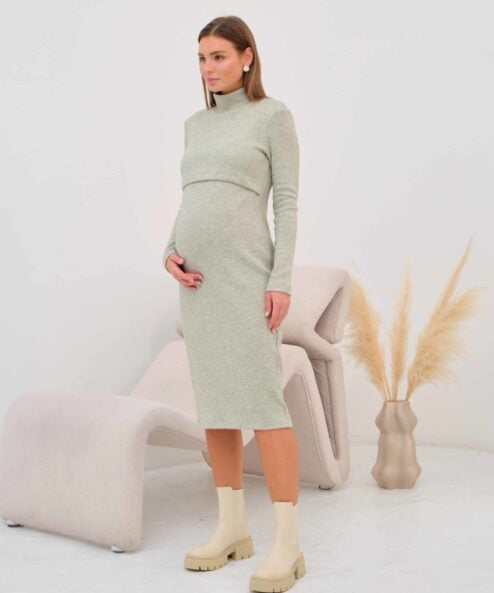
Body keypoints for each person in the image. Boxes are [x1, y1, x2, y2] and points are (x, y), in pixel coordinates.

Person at [162, 15, 305, 592]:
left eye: (218, 56)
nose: (208, 68)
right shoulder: (195, 126)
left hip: (248, 280)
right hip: (197, 285)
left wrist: (281, 279)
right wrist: (170, 251)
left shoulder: (272, 116)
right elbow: (191, 199)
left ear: (247, 57)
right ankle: (232, 528)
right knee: (217, 407)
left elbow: (287, 203)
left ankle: (287, 544)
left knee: (264, 407)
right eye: (201, 58)